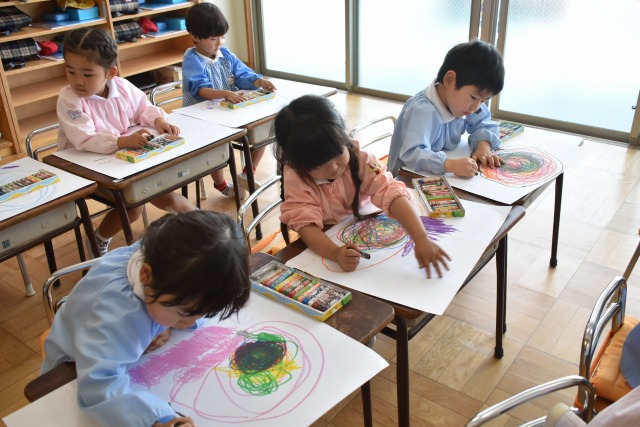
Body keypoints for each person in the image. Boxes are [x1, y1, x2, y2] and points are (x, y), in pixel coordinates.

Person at [41, 210, 252, 427]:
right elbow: (99, 385)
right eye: (183, 313)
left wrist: (165, 323)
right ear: (146, 275)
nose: (190, 324)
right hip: (69, 374)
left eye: (201, 313)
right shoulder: (116, 314)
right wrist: (158, 419)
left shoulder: (161, 262)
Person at [274, 95, 451, 278]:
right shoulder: (297, 178)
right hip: (325, 242)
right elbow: (306, 227)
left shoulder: (363, 160)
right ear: (299, 164)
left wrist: (420, 237)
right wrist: (335, 253)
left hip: (360, 224)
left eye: (337, 153)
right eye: (319, 165)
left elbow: (391, 193)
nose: (333, 167)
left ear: (344, 138)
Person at [57, 28, 196, 257]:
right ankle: (97, 240)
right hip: (86, 167)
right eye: (70, 71)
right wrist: (122, 141)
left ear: (110, 72)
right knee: (134, 206)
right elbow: (85, 138)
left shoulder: (121, 86)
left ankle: (202, 227)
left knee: (160, 188)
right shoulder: (69, 100)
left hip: (120, 160)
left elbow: (143, 108)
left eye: (87, 74)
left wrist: (158, 120)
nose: (78, 81)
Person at [183, 2, 277, 198]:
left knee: (264, 130)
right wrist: (224, 93)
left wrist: (259, 81)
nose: (220, 43)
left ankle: (247, 173)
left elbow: (243, 75)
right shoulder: (192, 59)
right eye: (213, 38)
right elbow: (200, 89)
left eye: (222, 37)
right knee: (216, 147)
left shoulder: (225, 54)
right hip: (202, 118)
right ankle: (221, 184)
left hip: (228, 114)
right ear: (195, 36)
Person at [387, 39, 506, 178]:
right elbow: (412, 153)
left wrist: (483, 146)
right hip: (403, 180)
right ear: (450, 80)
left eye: (483, 100)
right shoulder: (422, 110)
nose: (476, 107)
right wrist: (448, 164)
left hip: (436, 176)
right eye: (474, 97)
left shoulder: (465, 103)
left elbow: (482, 123)